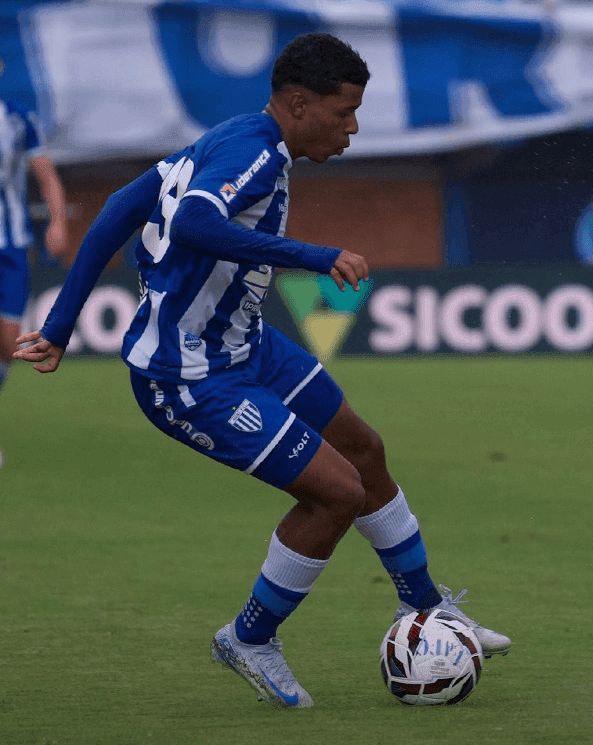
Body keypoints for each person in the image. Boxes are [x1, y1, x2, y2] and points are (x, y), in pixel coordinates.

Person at [15, 33, 511, 709]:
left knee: (364, 450)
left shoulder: (232, 137)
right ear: (300, 104)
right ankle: (249, 636)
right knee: (336, 492)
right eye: (344, 112)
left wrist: (63, 323)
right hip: (188, 374)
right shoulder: (252, 151)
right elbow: (191, 223)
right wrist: (313, 255)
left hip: (245, 344)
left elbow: (117, 212)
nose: (353, 128)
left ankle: (427, 609)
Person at [0, 92, 69, 466]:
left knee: (8, 341)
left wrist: (57, 221)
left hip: (11, 246)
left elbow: (46, 175)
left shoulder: (16, 119)